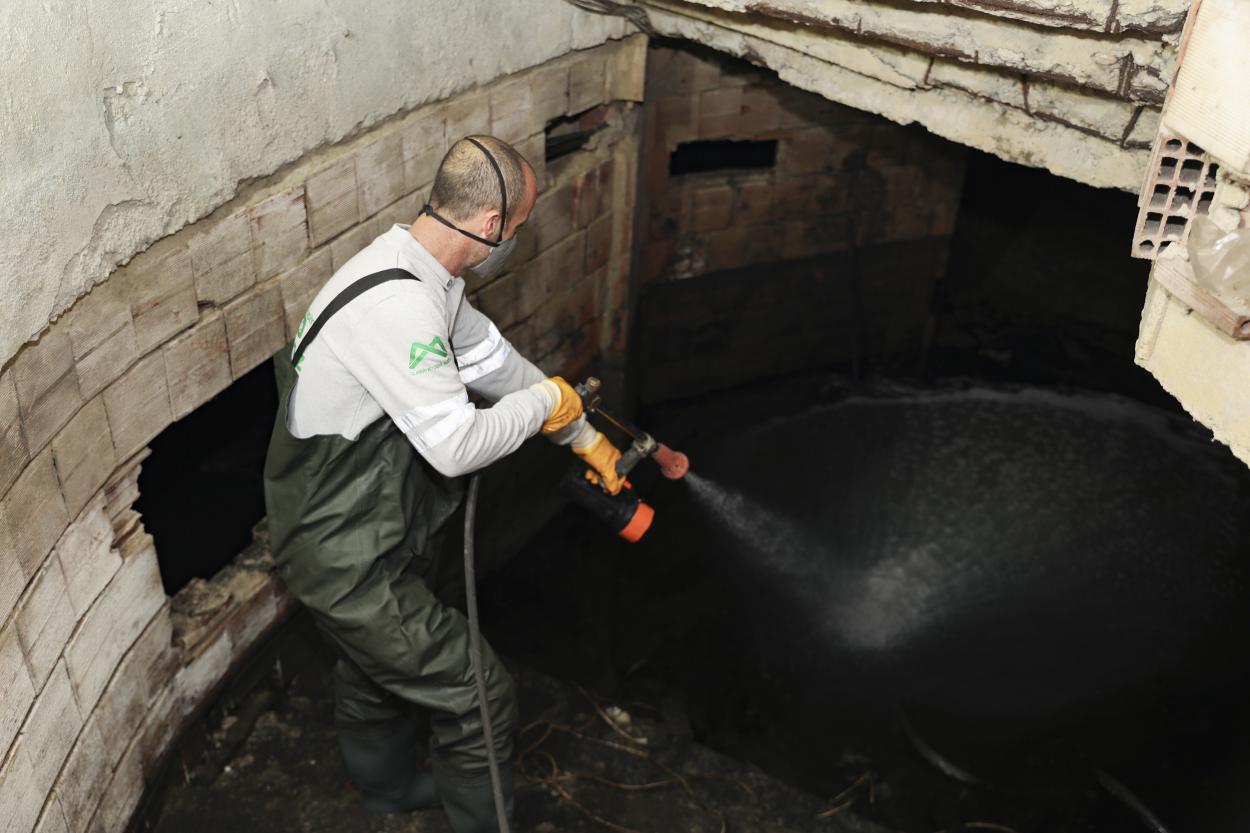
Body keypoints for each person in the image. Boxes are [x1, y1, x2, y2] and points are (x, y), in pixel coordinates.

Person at [262, 135, 624, 831]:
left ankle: (388, 791)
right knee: (477, 691)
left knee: (372, 670)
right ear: (491, 225)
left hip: (367, 525)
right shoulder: (398, 309)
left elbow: (496, 366)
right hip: (342, 554)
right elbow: (457, 447)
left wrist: (583, 436)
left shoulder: (419, 274)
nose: (515, 241)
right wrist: (544, 404)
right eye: (518, 228)